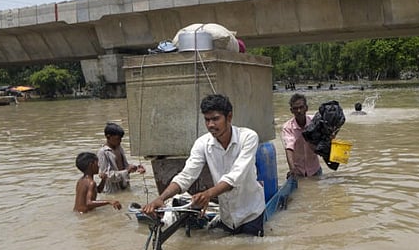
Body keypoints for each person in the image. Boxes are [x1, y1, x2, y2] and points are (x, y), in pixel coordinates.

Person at [142, 94, 266, 237]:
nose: (211, 125)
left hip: (251, 214)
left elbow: (235, 177)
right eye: (207, 120)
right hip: (227, 216)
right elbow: (186, 175)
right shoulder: (202, 143)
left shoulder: (248, 137)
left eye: (215, 119)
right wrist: (161, 198)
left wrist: (208, 194)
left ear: (229, 117)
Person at [281, 93, 324, 179]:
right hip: (298, 172)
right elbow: (289, 148)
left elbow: (325, 136)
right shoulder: (288, 127)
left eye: (301, 107)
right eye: (295, 108)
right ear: (291, 110)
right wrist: (292, 169)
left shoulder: (314, 122)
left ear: (306, 108)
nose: (299, 111)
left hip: (315, 171)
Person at [96, 122, 145, 194]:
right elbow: (107, 175)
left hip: (124, 186)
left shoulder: (119, 148)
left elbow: (124, 165)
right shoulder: (103, 152)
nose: (120, 141)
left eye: (120, 138)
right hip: (112, 191)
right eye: (117, 138)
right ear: (108, 137)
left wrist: (136, 167)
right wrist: (127, 171)